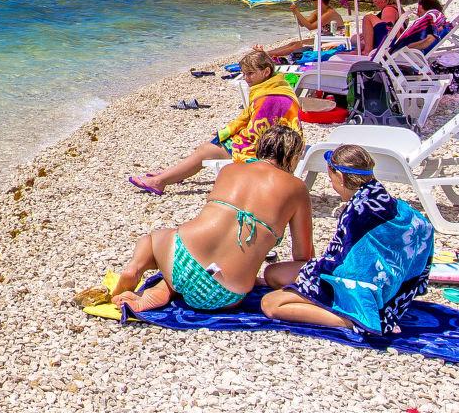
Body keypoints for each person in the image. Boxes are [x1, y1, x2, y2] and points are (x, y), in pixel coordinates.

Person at [89, 126, 314, 314]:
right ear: (293, 157)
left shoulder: (230, 170)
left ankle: (137, 270)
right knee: (214, 263)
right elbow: (303, 256)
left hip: (179, 261)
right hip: (226, 294)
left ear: (259, 148)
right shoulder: (297, 189)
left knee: (155, 238)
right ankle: (166, 288)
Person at [257, 144, 435, 332]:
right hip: (391, 289)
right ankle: (363, 314)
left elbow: (338, 267)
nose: (331, 184)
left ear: (340, 178)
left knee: (270, 304)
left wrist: (305, 282)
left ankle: (354, 321)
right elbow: (424, 230)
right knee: (272, 274)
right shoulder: (397, 206)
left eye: (330, 178)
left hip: (360, 291)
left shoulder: (357, 214)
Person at [129, 48, 301, 194]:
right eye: (244, 74)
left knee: (206, 151)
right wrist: (227, 133)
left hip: (275, 150)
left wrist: (234, 137)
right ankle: (168, 174)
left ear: (266, 72)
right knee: (210, 145)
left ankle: (160, 181)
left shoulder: (270, 98)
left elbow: (259, 133)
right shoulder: (275, 87)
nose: (246, 78)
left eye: (250, 74)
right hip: (277, 143)